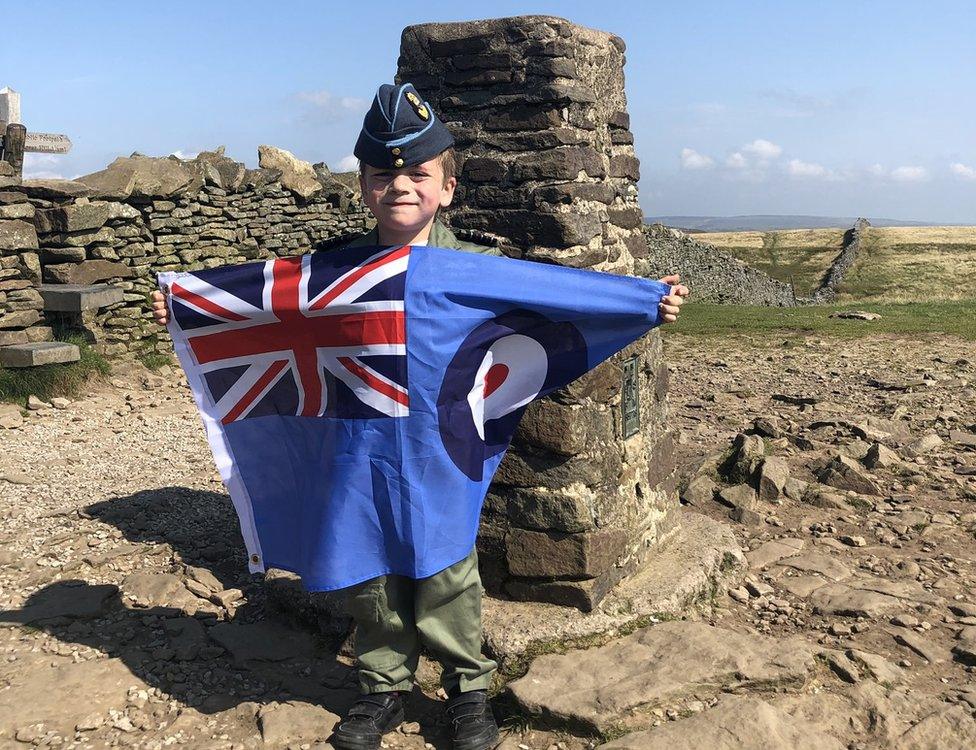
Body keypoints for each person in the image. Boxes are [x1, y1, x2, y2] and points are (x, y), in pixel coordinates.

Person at [151, 82, 689, 750]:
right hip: (357, 443)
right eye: (385, 174)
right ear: (364, 187)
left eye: (418, 173)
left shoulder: (475, 270)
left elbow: (554, 304)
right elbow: (264, 307)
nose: (401, 185)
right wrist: (192, 312)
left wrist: (641, 303)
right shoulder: (328, 273)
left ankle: (468, 691)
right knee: (368, 565)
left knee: (444, 567)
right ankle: (382, 687)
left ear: (446, 189)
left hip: (440, 446)